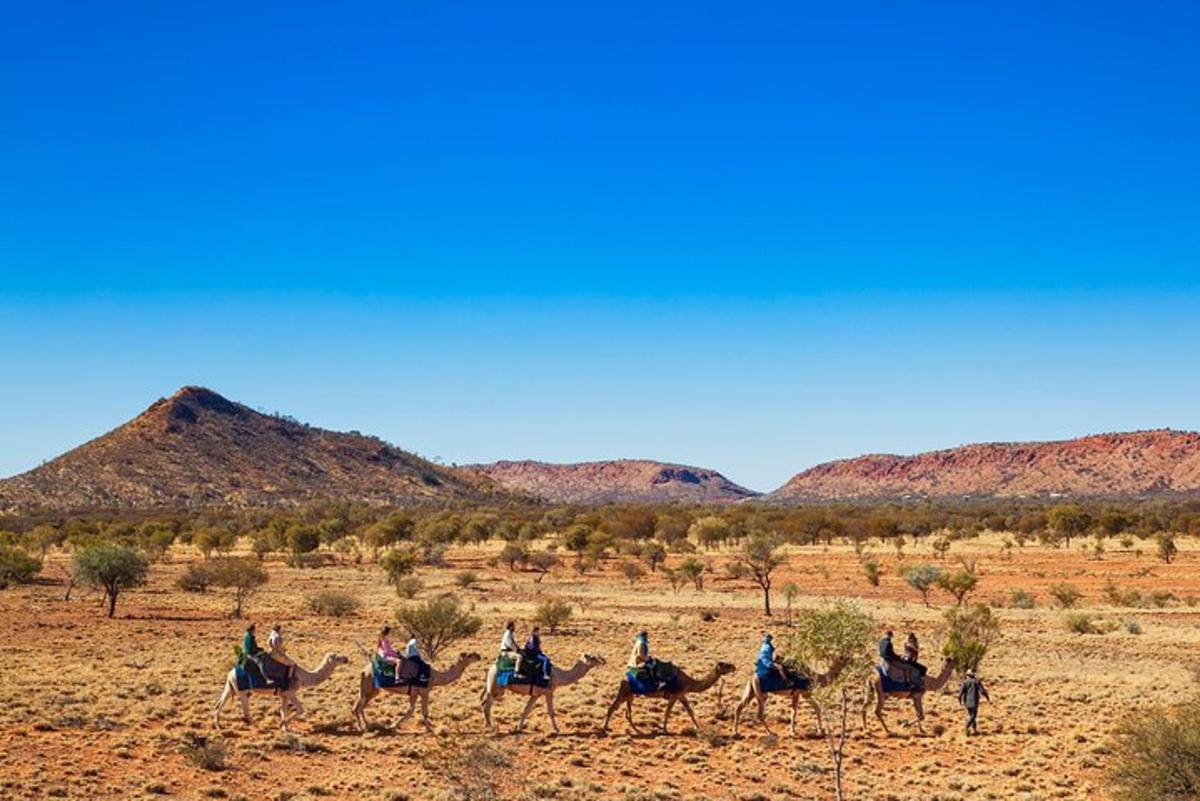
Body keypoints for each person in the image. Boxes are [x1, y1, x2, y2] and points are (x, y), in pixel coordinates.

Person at [958, 669, 991, 736]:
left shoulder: (965, 682)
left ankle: (974, 730)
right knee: (973, 716)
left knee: (971, 715)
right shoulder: (977, 681)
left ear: (968, 675)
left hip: (967, 702)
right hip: (974, 702)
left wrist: (960, 701)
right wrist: (987, 698)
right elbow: (982, 691)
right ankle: (967, 727)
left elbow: (960, 694)